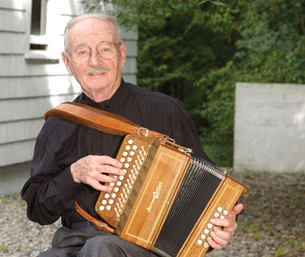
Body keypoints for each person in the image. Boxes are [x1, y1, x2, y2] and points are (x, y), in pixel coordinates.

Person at [21, 13, 244, 257]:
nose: (95, 61)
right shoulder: (58, 124)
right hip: (76, 243)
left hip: (148, 247)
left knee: (102, 249)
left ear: (122, 54)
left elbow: (211, 190)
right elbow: (37, 209)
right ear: (68, 61)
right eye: (83, 52)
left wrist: (222, 223)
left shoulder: (166, 111)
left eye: (105, 49)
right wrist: (74, 174)